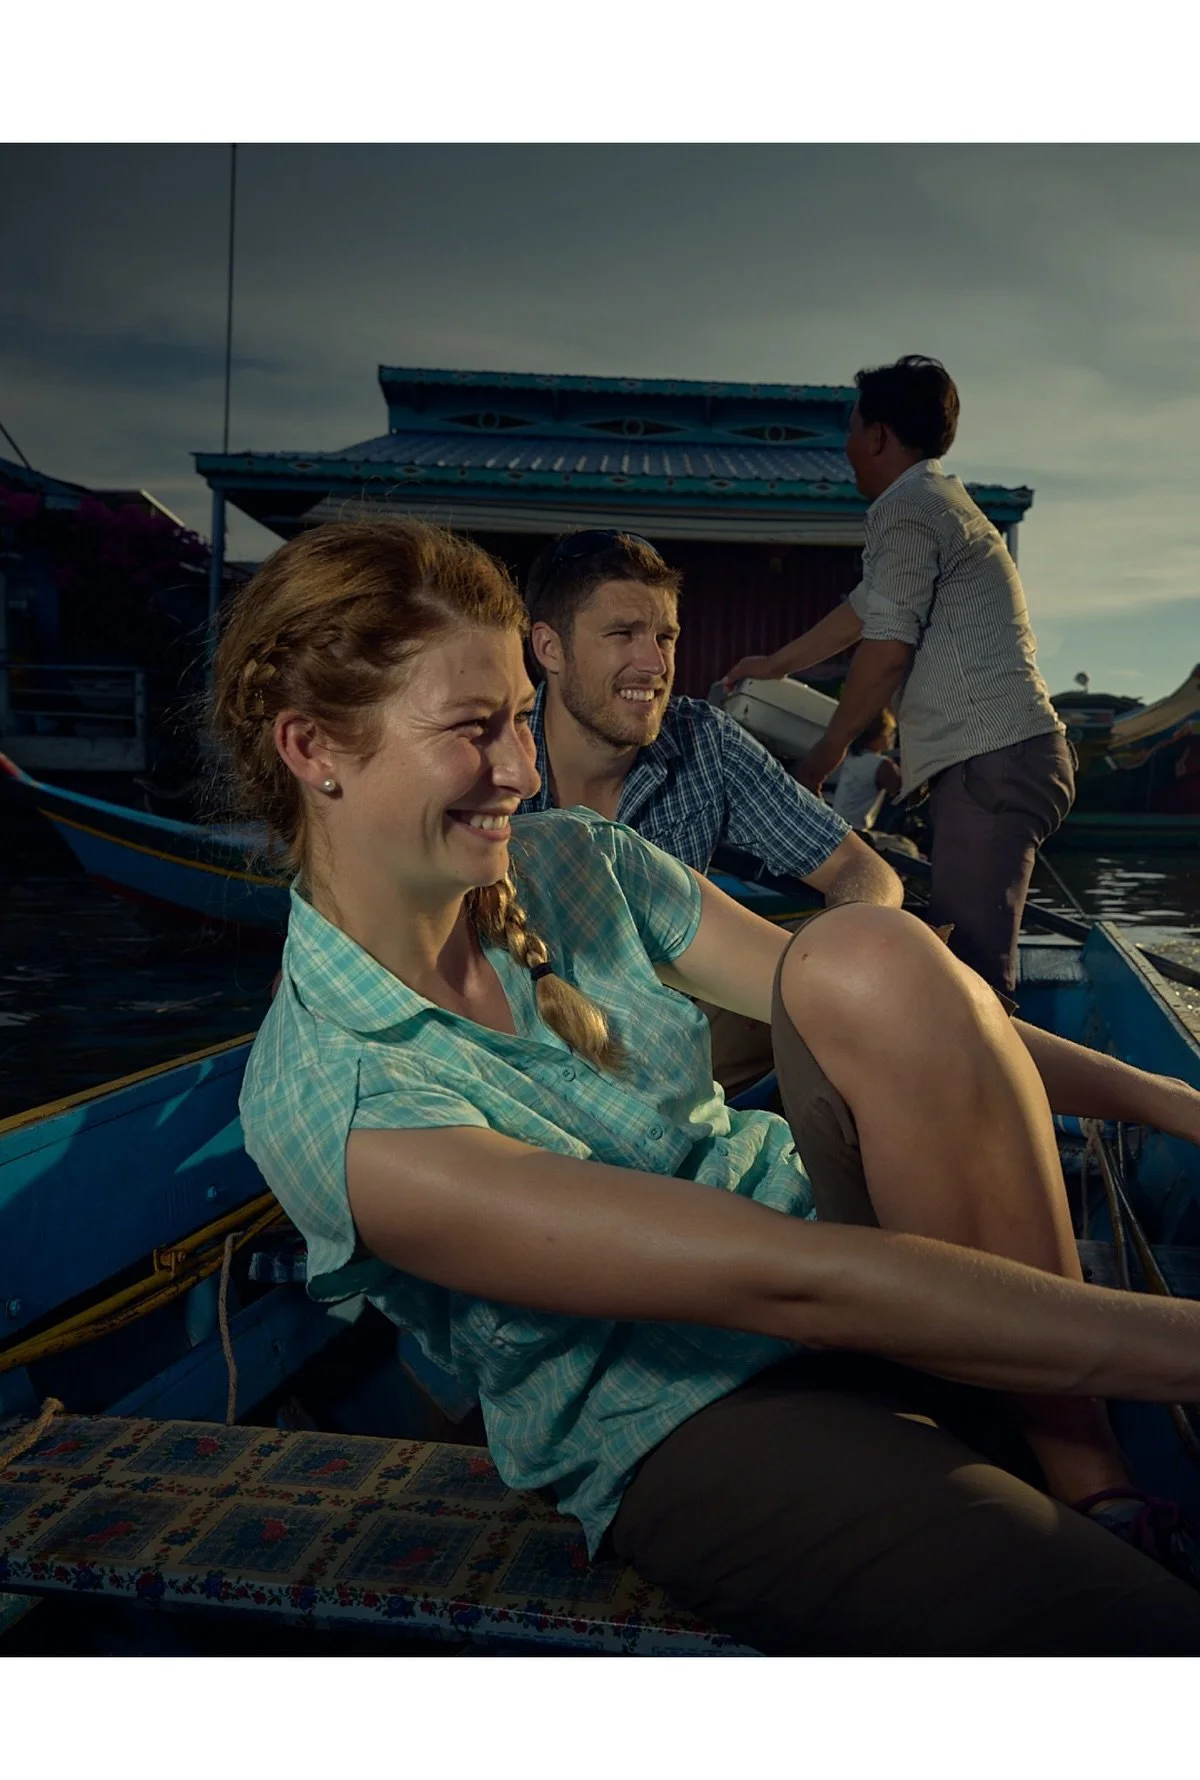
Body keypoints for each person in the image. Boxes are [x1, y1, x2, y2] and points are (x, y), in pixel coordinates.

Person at [216, 516, 1200, 1656]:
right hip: (696, 1410)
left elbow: (932, 1019)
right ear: (312, 749)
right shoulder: (338, 1104)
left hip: (856, 1264)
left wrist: (1181, 1103)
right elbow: (797, 1286)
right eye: (474, 731)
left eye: (521, 723)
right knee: (1130, 1640)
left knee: (867, 949)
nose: (526, 770)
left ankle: (1092, 1478)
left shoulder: (580, 863)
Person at [724, 354, 1074, 1000]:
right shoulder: (935, 502)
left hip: (991, 761)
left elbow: (885, 650)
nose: (848, 446)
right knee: (966, 957)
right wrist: (774, 665)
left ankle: (989, 1101)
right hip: (1004, 759)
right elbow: (865, 610)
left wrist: (821, 756)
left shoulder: (906, 509)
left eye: (853, 428)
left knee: (972, 974)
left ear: (879, 435)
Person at [522, 527, 902, 1089]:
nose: (653, 664)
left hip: (681, 1043)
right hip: (534, 1047)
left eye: (666, 637)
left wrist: (839, 951)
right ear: (549, 649)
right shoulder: (493, 757)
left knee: (899, 976)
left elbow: (864, 869)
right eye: (622, 634)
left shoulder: (703, 741)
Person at [829, 709, 902, 830]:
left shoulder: (851, 756)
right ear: (877, 736)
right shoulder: (883, 765)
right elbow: (901, 790)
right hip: (857, 830)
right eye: (889, 733)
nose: (891, 738)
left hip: (837, 822)